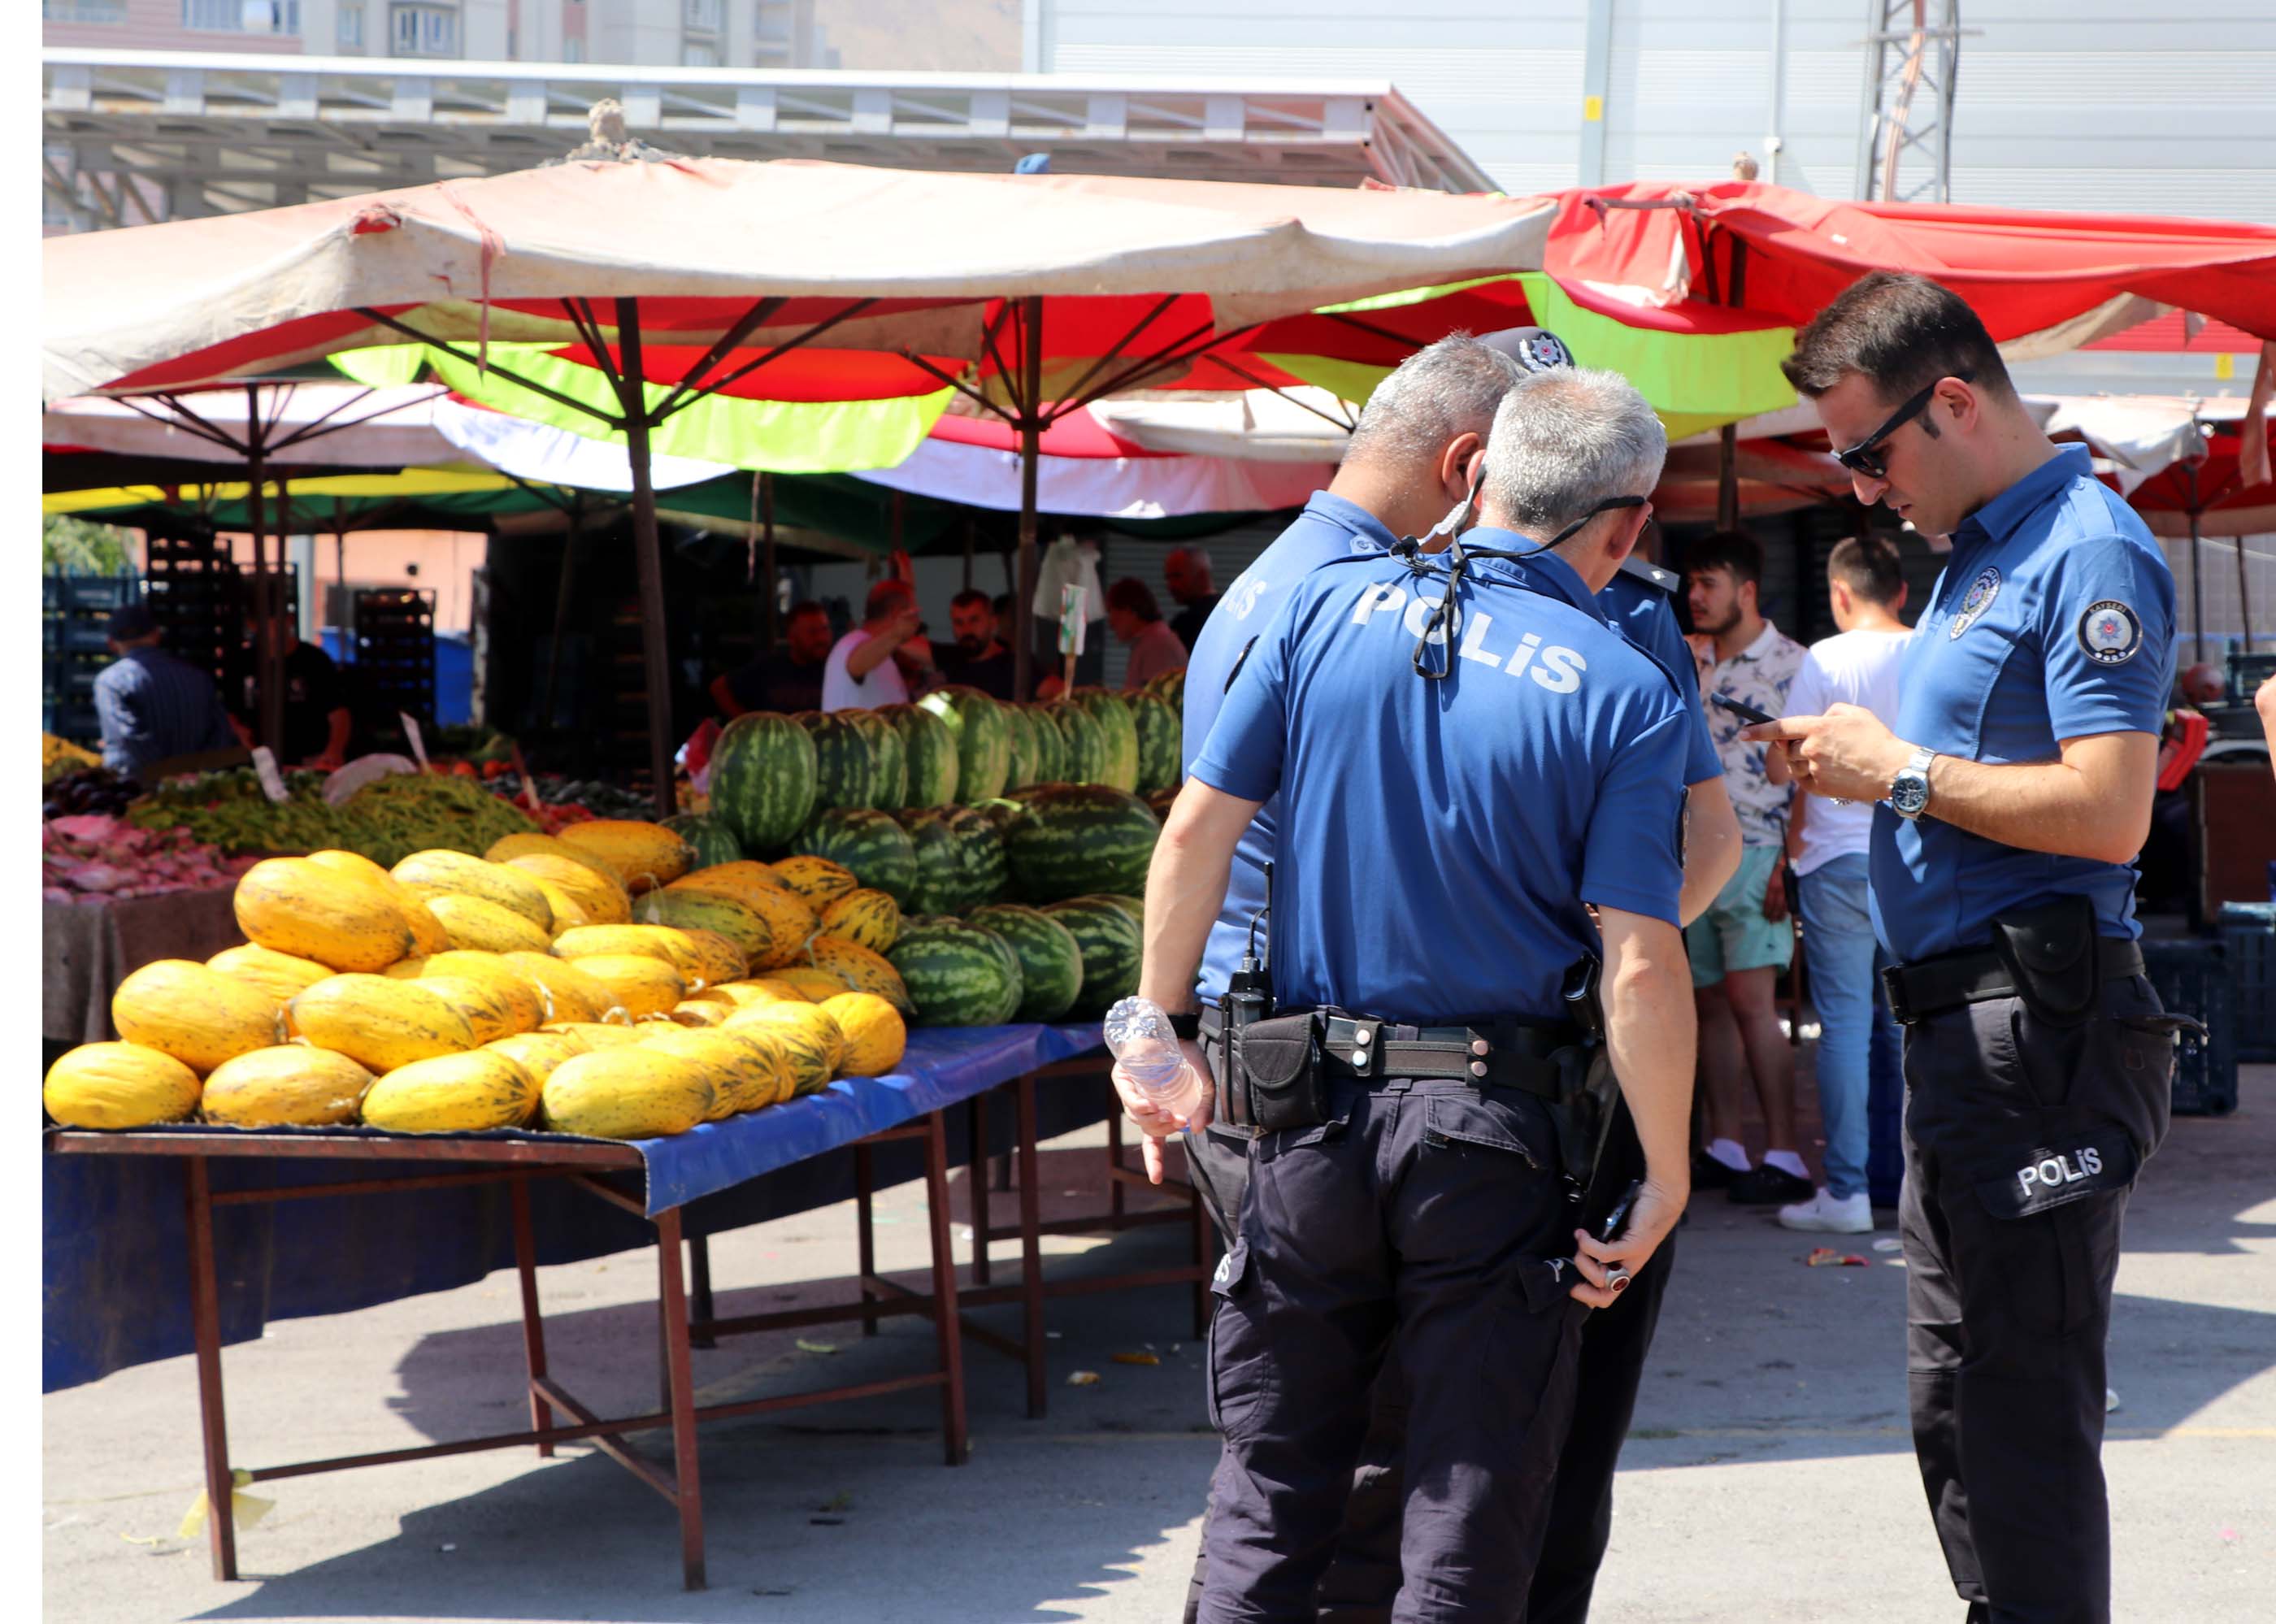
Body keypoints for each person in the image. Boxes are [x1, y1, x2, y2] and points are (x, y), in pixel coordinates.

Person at [1175, 329, 1740, 1624]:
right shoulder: (1623, 673)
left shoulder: (1308, 605)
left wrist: (1156, 1031)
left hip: (1296, 1106)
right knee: (1464, 1502)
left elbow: (1197, 834)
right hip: (1488, 1123)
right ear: (1627, 520)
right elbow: (1648, 951)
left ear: (1484, 479)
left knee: (1269, 1488)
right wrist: (1664, 1169)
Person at [1757, 270, 2180, 1624]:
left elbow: (2111, 814)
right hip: (1965, 1026)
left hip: (2031, 1027)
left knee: (2021, 1399)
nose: (1866, 488)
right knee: (1960, 1394)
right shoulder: (1981, 556)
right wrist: (1867, 771)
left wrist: (1895, 774)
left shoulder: (2087, 549)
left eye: (1870, 451)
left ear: (1951, 401)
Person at [1764, 534, 1911, 1234]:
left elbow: (1785, 766)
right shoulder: (1927, 652)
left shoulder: (1825, 659)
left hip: (1832, 861)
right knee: (1911, 1025)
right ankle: (1915, 1184)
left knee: (1847, 1029)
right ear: (1902, 592)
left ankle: (1848, 1192)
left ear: (1840, 595)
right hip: (1912, 861)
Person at [1683, 528, 1811, 1205]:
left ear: (1748, 590)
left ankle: (1786, 1152)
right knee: (1709, 1004)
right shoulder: (1685, 656)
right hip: (1692, 856)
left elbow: (1810, 778)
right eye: (1691, 582)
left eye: (1708, 583)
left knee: (1754, 1005)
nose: (1693, 596)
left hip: (1761, 850)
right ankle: (1726, 1145)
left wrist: (1787, 863)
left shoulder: (1795, 664)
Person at [91, 603, 238, 779]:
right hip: (195, 789)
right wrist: (197, 776)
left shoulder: (110, 682)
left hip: (136, 792)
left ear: (111, 644)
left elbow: (127, 737)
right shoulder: (197, 677)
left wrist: (165, 775)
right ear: (156, 635)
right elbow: (221, 733)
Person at [232, 610, 352, 770]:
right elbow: (229, 711)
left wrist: (334, 751)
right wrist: (240, 733)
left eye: (280, 620)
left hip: (309, 760)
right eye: (268, 621)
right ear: (252, 625)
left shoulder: (314, 660)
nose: (274, 627)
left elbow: (338, 711)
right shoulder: (241, 662)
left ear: (290, 620)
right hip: (258, 762)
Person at [709, 601, 832, 718]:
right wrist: (747, 724)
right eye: (812, 632)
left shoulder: (837, 668)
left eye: (825, 629)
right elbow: (719, 687)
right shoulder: (769, 667)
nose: (822, 638)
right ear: (792, 637)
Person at [819, 579, 923, 712]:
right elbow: (856, 663)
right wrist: (897, 634)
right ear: (896, 612)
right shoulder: (851, 643)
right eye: (913, 612)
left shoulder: (883, 652)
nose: (917, 620)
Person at [1106, 577, 1188, 690]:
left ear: (1129, 610)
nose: (1110, 623)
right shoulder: (1149, 641)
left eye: (1111, 611)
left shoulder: (1158, 645)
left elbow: (1154, 699)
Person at [939, 588, 1017, 699]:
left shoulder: (1014, 666)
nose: (966, 630)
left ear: (993, 622)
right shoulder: (949, 658)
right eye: (959, 623)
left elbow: (1049, 693)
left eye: (974, 620)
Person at [1163, 545, 1220, 652]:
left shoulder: (1186, 625)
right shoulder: (1229, 609)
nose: (1171, 585)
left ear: (1202, 575)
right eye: (1168, 578)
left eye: (1177, 576)